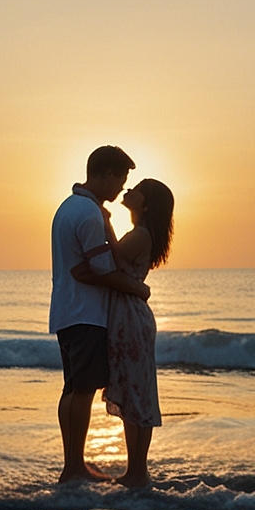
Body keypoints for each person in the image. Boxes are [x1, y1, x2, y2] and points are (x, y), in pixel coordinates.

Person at [49, 146, 150, 483]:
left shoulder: (69, 207)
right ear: (106, 174)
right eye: (120, 179)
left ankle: (72, 465)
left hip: (67, 310)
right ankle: (74, 467)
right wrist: (138, 289)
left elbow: (90, 267)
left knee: (72, 389)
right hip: (87, 313)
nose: (121, 187)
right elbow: (103, 267)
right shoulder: (89, 213)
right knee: (82, 391)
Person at [94, 179, 173, 487]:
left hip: (130, 316)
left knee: (136, 392)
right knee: (135, 390)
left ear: (146, 204)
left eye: (136, 190)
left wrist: (104, 219)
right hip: (130, 313)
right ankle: (136, 470)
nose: (128, 192)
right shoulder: (142, 233)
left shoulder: (141, 234)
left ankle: (138, 471)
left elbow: (111, 257)